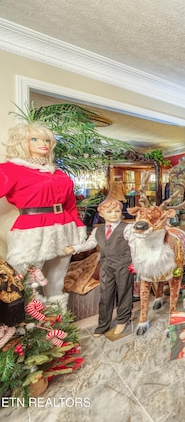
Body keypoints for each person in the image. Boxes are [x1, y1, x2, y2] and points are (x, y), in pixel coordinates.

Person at [0, 122, 86, 301]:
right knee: (25, 282)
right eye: (35, 139)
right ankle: (31, 326)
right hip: (32, 231)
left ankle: (58, 323)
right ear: (24, 142)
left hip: (64, 228)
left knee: (57, 280)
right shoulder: (10, 169)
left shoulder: (58, 173)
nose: (43, 143)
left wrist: (79, 227)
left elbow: (70, 205)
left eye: (47, 140)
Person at [63, 198, 133, 336]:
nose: (114, 214)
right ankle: (103, 324)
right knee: (105, 294)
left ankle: (123, 320)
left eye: (117, 211)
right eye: (110, 211)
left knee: (124, 292)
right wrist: (75, 248)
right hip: (106, 265)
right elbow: (90, 244)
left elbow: (135, 246)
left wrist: (135, 263)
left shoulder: (127, 228)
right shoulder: (98, 230)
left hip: (123, 264)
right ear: (101, 214)